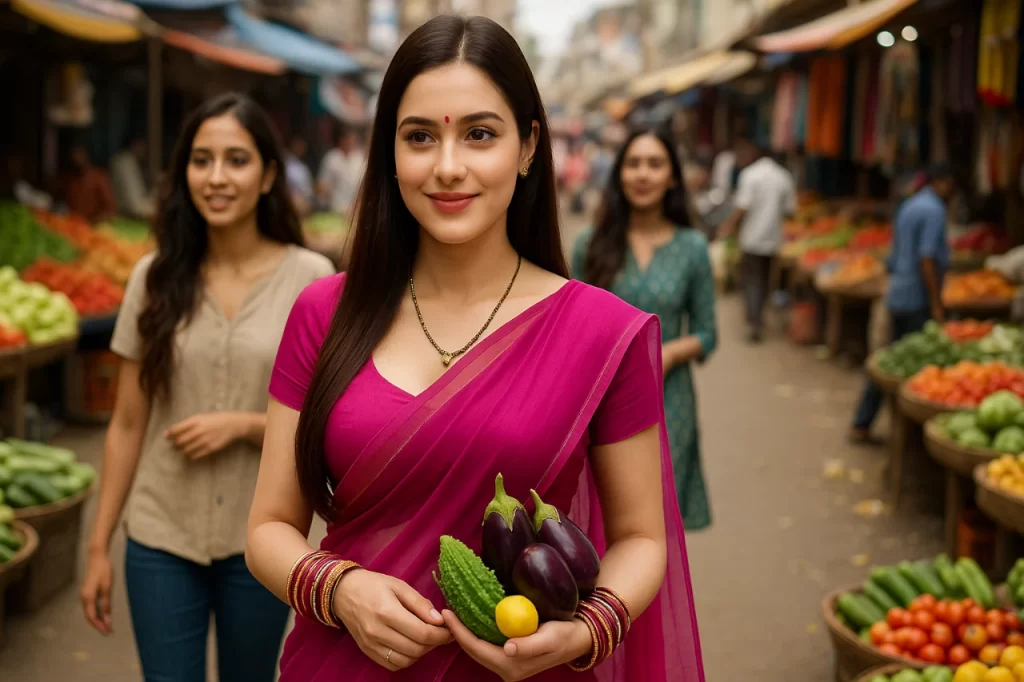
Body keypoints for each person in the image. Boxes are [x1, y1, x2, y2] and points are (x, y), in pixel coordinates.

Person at [245, 15, 704, 682]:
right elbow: (267, 529)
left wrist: (585, 630)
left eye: (480, 134)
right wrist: (338, 589)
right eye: (420, 137)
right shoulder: (325, 313)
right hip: (340, 662)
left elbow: (640, 539)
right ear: (389, 152)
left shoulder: (605, 334)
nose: (449, 167)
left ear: (528, 148)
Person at [78, 93, 336, 682]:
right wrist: (97, 547)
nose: (216, 177)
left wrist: (244, 426)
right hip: (160, 532)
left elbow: (332, 420)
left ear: (269, 174)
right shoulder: (154, 277)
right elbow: (125, 423)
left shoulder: (311, 280)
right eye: (201, 160)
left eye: (237, 160)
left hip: (264, 542)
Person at [573, 128, 718, 532]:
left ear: (672, 177)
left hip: (670, 400)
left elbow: (708, 333)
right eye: (633, 163)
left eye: (655, 164)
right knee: (600, 519)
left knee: (659, 522)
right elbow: (570, 323)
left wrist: (668, 353)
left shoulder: (692, 248)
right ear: (619, 174)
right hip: (598, 397)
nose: (643, 174)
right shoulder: (591, 243)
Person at [850, 165, 955, 443]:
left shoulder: (909, 205)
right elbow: (927, 257)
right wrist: (936, 302)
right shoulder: (934, 211)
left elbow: (895, 254)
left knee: (891, 361)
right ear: (943, 183)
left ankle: (863, 422)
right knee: (912, 366)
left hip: (898, 292)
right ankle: (905, 435)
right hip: (916, 298)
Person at [719, 137, 796, 342]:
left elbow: (742, 208)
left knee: (752, 281)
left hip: (752, 238)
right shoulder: (784, 177)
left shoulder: (750, 175)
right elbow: (790, 211)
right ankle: (758, 318)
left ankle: (754, 322)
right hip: (773, 240)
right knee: (764, 280)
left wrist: (729, 226)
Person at [61, 144, 117, 223]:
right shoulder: (68, 180)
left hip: (93, 227)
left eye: (79, 153)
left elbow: (111, 210)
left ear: (86, 155)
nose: (76, 157)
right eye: (74, 154)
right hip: (72, 225)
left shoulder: (99, 178)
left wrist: (96, 220)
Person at [317, 127, 365, 215]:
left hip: (355, 210)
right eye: (348, 139)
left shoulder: (359, 159)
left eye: (352, 140)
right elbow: (322, 185)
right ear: (341, 140)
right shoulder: (331, 158)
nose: (350, 142)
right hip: (334, 209)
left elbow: (363, 185)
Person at [111, 136, 156, 220]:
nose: (145, 151)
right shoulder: (125, 162)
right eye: (143, 146)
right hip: (127, 217)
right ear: (135, 145)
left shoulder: (127, 160)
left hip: (130, 214)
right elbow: (134, 205)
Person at [285, 135, 315, 217]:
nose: (301, 148)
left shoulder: (303, 167)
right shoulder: (286, 164)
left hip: (305, 206)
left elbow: (308, 190)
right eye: (298, 145)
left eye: (302, 146)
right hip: (290, 205)